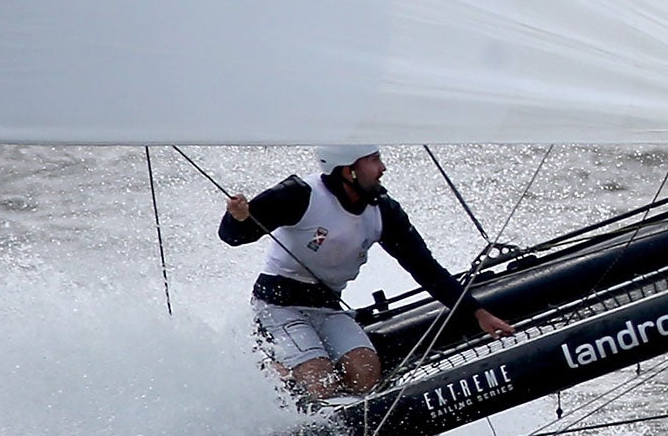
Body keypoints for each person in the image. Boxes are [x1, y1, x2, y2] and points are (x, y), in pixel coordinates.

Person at [221, 146, 516, 399]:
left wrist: (477, 313)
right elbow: (234, 236)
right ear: (349, 170)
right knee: (319, 381)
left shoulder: (382, 212)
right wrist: (236, 218)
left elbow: (426, 270)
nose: (383, 167)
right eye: (374, 160)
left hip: (327, 308)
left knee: (364, 373)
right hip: (277, 306)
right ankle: (271, 380)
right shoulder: (300, 195)